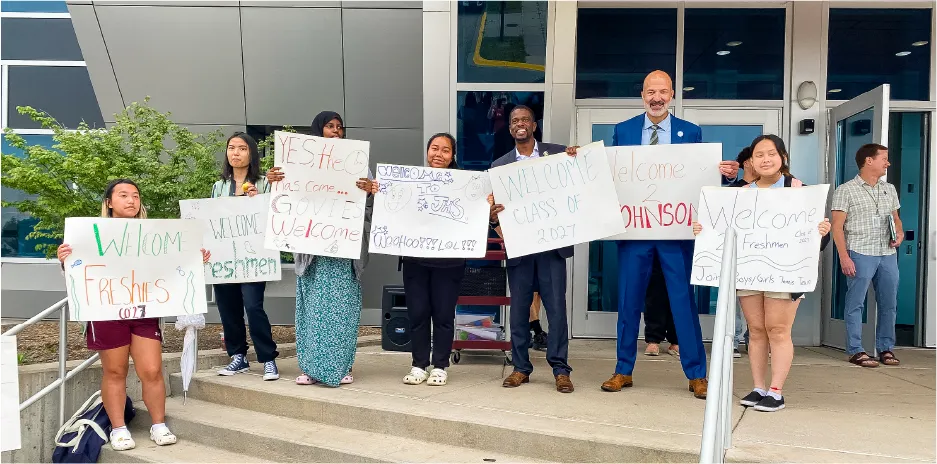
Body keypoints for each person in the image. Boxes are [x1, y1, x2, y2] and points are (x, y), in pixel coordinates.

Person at [573, 70, 738, 399]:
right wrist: (583, 162)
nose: (657, 97)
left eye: (663, 91)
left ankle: (696, 374)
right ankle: (623, 370)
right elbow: (611, 175)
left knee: (683, 302)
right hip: (635, 232)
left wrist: (727, 177)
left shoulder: (690, 132)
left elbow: (701, 180)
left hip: (676, 233)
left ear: (673, 94)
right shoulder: (624, 130)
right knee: (629, 301)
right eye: (651, 91)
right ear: (642, 95)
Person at [57, 179, 210, 450]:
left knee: (151, 370)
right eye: (124, 195)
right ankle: (118, 429)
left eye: (136, 196)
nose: (131, 200)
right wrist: (65, 260)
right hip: (105, 311)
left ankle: (159, 424)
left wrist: (193, 259)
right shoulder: (89, 235)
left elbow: (170, 266)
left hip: (144, 310)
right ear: (109, 202)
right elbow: (80, 272)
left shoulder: (154, 234)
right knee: (114, 370)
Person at [693, 135, 831, 412]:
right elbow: (723, 231)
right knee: (756, 331)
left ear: (782, 157)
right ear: (751, 161)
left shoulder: (800, 190)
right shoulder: (741, 194)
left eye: (771, 154)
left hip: (785, 273)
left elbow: (815, 240)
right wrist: (704, 232)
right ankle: (758, 387)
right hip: (750, 271)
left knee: (778, 330)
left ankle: (776, 391)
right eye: (759, 155)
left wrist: (821, 233)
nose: (765, 160)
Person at [266, 111, 374, 387]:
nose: (335, 131)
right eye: (329, 126)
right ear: (318, 130)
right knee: (313, 313)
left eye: (340, 127)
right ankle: (311, 368)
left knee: (342, 312)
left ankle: (342, 367)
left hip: (345, 254)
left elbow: (372, 210)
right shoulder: (299, 163)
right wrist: (274, 180)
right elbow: (282, 202)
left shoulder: (358, 164)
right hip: (313, 255)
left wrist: (371, 191)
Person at [488, 105, 575, 393]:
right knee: (518, 312)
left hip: (551, 247)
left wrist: (580, 159)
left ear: (534, 125)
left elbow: (582, 180)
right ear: (510, 128)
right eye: (515, 121)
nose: (520, 124)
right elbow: (495, 213)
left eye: (525, 119)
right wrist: (493, 215)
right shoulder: (500, 166)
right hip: (521, 248)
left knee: (556, 310)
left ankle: (560, 369)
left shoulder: (559, 153)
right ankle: (521, 367)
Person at [377, 133, 467, 386]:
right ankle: (418, 365)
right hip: (415, 261)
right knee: (417, 314)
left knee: (443, 315)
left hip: (449, 263)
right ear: (427, 151)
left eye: (445, 150)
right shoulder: (410, 182)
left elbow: (473, 215)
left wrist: (484, 204)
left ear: (452, 156)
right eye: (434, 148)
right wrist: (380, 192)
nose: (438, 154)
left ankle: (440, 366)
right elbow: (393, 207)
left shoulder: (464, 185)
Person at [209, 132, 280, 381]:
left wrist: (258, 201)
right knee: (228, 309)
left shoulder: (263, 183)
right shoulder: (219, 187)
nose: (235, 153)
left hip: (253, 257)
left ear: (251, 153)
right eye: (231, 148)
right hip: (224, 258)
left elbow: (275, 213)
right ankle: (237, 356)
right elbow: (211, 221)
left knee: (253, 305)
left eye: (241, 148)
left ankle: (268, 357)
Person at [831, 143, 903, 368]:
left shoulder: (888, 188)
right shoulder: (845, 190)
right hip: (860, 252)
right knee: (856, 303)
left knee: (889, 303)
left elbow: (896, 217)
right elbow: (837, 226)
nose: (888, 163)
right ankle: (856, 350)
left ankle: (885, 348)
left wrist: (899, 233)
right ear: (868, 161)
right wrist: (844, 256)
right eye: (884, 158)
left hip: (887, 253)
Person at [729, 147, 756, 358]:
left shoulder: (772, 189)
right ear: (746, 162)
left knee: (759, 298)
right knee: (734, 299)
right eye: (757, 157)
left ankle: (754, 340)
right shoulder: (732, 189)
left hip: (761, 251)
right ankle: (734, 339)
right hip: (738, 252)